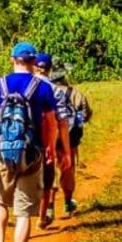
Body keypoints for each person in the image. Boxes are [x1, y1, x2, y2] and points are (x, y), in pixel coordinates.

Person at [0, 42, 65, 242]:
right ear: (33, 61)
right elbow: (51, 123)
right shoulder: (43, 87)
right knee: (25, 212)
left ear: (12, 59)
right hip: (31, 154)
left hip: (3, 155)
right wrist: (50, 148)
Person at [38, 56, 93, 217]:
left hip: (49, 137)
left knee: (50, 168)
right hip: (69, 138)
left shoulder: (43, 90)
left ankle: (49, 206)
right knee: (67, 168)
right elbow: (86, 114)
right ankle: (68, 203)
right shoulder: (75, 94)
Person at [33, 53, 73, 229]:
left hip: (26, 140)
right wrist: (66, 151)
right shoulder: (55, 90)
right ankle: (41, 217)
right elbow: (62, 124)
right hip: (48, 141)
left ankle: (24, 218)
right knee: (46, 181)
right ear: (50, 70)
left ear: (34, 67)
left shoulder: (23, 85)